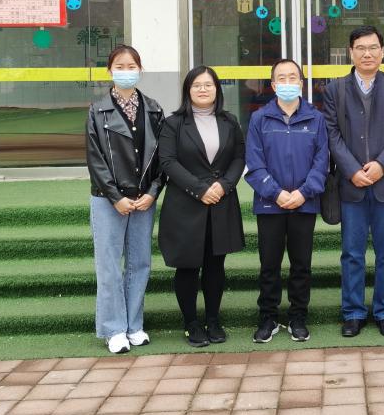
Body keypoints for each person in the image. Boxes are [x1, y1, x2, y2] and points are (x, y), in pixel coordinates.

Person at [323, 25, 384, 338]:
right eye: (360, 48)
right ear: (351, 52)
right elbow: (331, 134)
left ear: (382, 51)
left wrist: (381, 165)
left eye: (373, 47)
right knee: (352, 253)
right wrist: (351, 170)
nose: (367, 53)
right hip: (352, 186)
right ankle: (353, 312)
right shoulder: (335, 90)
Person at [157, 66, 245, 347]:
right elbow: (168, 161)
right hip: (185, 205)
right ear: (188, 90)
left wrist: (225, 185)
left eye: (208, 84)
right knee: (188, 266)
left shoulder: (229, 121)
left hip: (221, 202)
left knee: (215, 265)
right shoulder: (174, 123)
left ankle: (213, 320)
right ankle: (191, 323)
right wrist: (199, 189)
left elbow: (239, 158)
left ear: (217, 89)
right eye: (197, 85)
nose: (203, 89)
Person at [86, 45, 164, 355]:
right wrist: (115, 196)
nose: (126, 71)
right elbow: (95, 160)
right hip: (109, 200)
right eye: (120, 66)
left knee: (139, 263)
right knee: (109, 265)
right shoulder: (97, 111)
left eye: (132, 66)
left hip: (144, 200)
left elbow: (163, 158)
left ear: (140, 70)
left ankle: (134, 325)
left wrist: (152, 192)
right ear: (109, 71)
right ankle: (113, 329)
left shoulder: (154, 109)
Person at [245, 59, 329, 344]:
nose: (288, 82)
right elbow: (254, 163)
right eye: (281, 78)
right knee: (269, 264)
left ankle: (298, 317)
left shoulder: (316, 118)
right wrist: (276, 193)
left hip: (305, 202)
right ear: (273, 85)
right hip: (270, 204)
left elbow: (322, 161)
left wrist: (304, 192)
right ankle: (267, 317)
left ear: (301, 83)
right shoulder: (260, 119)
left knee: (301, 264)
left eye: (293, 77)